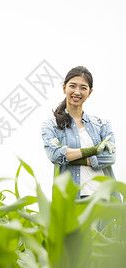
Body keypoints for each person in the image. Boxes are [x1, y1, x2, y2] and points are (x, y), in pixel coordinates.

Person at [41, 67, 117, 199]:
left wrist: (69, 157)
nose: (77, 92)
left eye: (83, 87)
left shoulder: (102, 125)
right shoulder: (51, 126)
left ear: (90, 92)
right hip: (70, 199)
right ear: (64, 88)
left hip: (104, 198)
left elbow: (110, 157)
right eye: (72, 86)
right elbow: (54, 155)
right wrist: (93, 150)